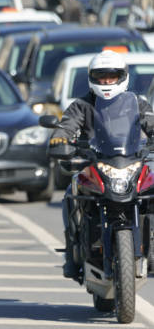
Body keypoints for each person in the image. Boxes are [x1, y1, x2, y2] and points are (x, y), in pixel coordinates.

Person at [48, 50, 154, 279]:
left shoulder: (137, 103)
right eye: (101, 76)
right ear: (92, 78)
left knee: (151, 191)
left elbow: (151, 122)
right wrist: (60, 138)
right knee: (71, 193)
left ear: (122, 77)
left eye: (112, 76)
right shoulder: (82, 105)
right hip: (95, 164)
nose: (106, 81)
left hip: (131, 162)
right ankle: (73, 253)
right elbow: (67, 125)